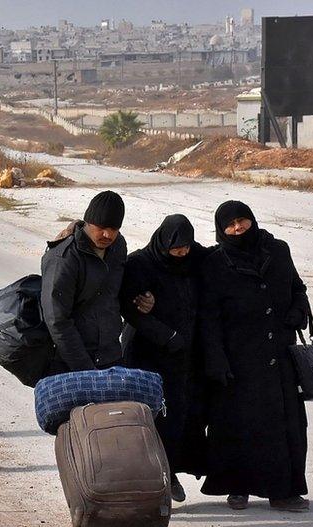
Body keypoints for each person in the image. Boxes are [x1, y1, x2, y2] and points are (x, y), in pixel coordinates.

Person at [199, 201, 311, 513]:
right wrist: (216, 360)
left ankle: (284, 491)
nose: (237, 229)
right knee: (238, 426)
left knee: (287, 426)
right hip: (239, 359)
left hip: (280, 355)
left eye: (242, 221)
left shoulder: (278, 250)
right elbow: (209, 317)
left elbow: (298, 287)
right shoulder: (216, 263)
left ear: (252, 220)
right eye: (230, 225)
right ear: (221, 230)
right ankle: (238, 487)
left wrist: (298, 310)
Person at [120, 214, 208, 503]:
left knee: (179, 418)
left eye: (186, 247)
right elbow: (131, 309)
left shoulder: (193, 261)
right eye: (176, 248)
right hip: (146, 357)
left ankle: (169, 474)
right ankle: (153, 480)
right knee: (149, 418)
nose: (182, 253)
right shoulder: (140, 264)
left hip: (182, 359)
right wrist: (166, 335)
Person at [40, 191, 129, 372]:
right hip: (70, 363)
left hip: (110, 357)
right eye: (101, 227)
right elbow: (57, 319)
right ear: (88, 222)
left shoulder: (118, 246)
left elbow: (116, 294)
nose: (107, 234)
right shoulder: (64, 257)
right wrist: (85, 368)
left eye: (114, 229)